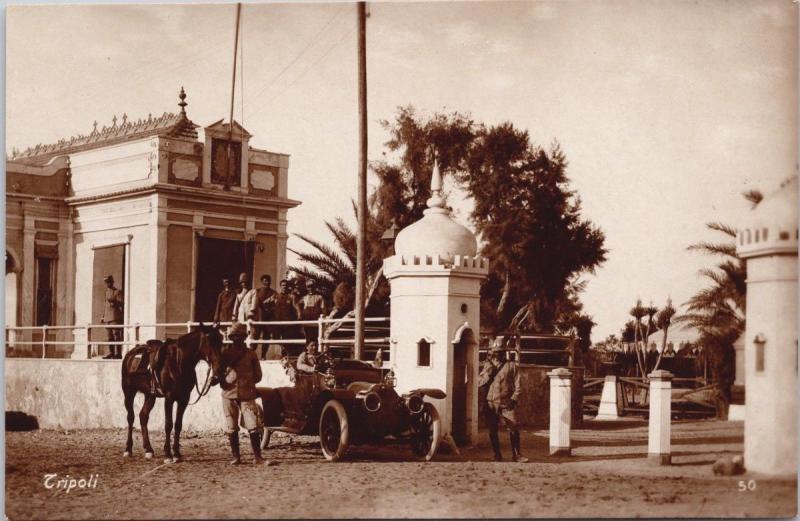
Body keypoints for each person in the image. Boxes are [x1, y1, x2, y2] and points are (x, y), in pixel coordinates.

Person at [221, 322, 264, 465]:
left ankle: (257, 457)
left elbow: (258, 375)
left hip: (244, 394)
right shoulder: (226, 354)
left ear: (244, 338)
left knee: (252, 426)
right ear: (232, 338)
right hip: (230, 395)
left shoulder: (249, 354)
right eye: (235, 337)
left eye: (239, 337)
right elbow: (257, 376)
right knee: (232, 426)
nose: (237, 339)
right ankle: (237, 457)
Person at [479, 340, 528, 462]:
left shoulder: (512, 366)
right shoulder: (488, 366)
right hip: (491, 402)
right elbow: (479, 383)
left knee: (513, 427)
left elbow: (519, 385)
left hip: (506, 402)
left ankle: (517, 455)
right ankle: (497, 455)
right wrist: (488, 374)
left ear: (504, 353)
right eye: (495, 353)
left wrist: (514, 399)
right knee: (492, 429)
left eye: (500, 352)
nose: (497, 355)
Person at [100, 275, 124, 359]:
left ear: (112, 282)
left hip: (115, 316)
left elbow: (121, 303)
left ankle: (118, 353)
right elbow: (105, 305)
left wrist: (115, 302)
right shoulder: (106, 292)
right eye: (106, 282)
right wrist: (103, 316)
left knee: (116, 335)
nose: (107, 284)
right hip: (107, 317)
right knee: (109, 336)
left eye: (109, 282)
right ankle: (111, 353)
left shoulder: (117, 292)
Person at [255, 274, 277, 360]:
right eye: (264, 280)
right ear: (262, 282)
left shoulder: (273, 293)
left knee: (266, 337)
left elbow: (276, 305)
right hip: (259, 318)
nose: (266, 282)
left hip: (269, 318)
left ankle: (263, 355)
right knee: (255, 336)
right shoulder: (257, 291)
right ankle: (252, 354)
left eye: (268, 280)